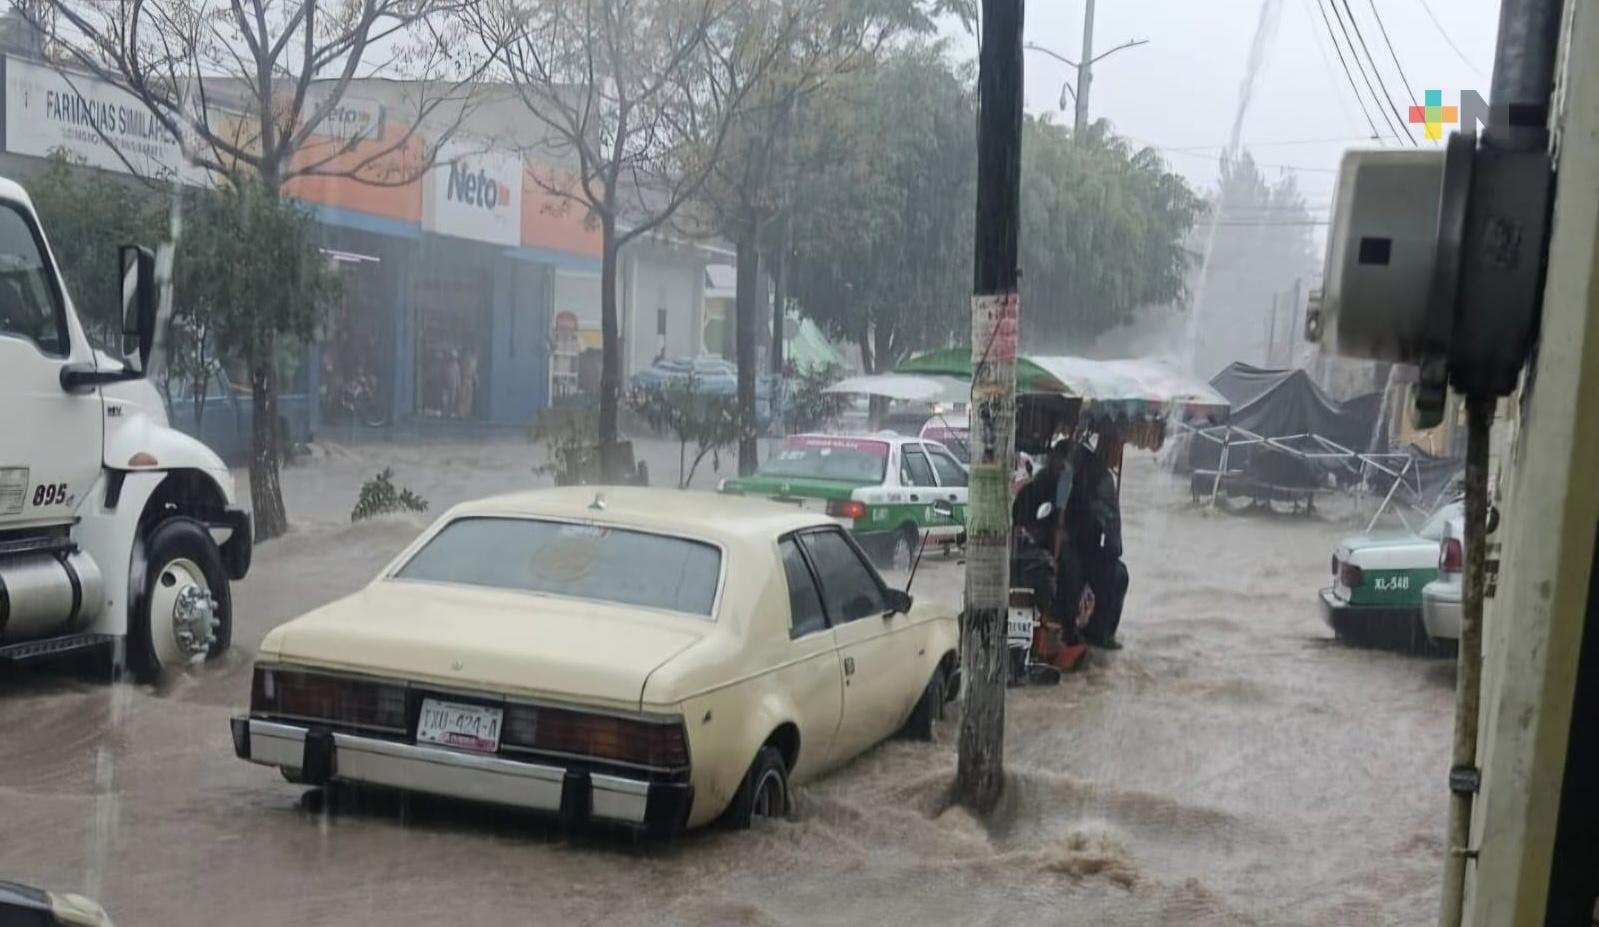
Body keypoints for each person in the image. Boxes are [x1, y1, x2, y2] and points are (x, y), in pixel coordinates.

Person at [1012, 436, 1088, 671]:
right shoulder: (1043, 484)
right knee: (1068, 569)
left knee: (1069, 568)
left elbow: (1061, 523)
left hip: (1037, 549)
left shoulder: (1063, 483)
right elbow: (1054, 525)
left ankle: (1064, 628)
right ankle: (1068, 630)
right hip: (1035, 551)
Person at [1069, 425, 1129, 650]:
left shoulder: (1083, 465)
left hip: (1078, 545)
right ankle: (1102, 634)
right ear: (1110, 447)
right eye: (1117, 448)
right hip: (1081, 548)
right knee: (1118, 576)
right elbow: (1111, 526)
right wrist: (1113, 550)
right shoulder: (1102, 477)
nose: (1117, 455)